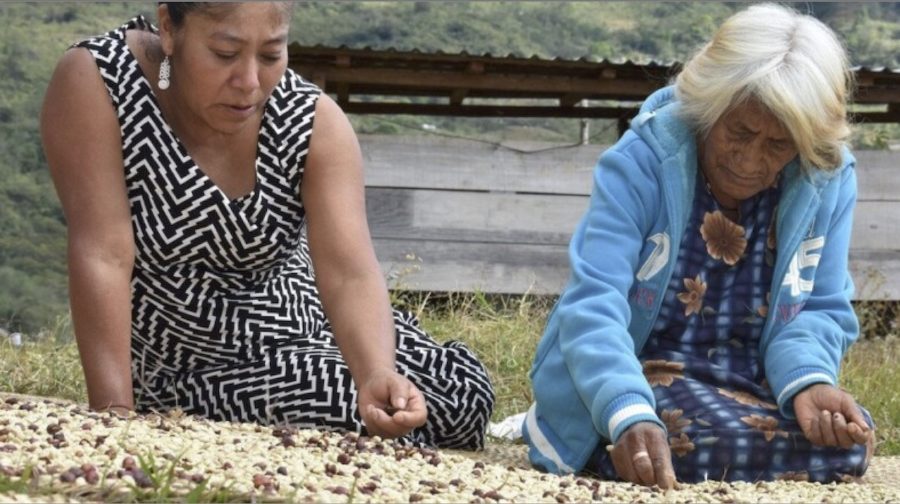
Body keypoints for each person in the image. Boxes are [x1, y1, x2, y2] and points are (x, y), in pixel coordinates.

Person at [40, 2, 494, 450]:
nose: (249, 82)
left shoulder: (310, 120)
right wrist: (116, 416)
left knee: (461, 393)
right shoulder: (100, 81)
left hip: (311, 323)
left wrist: (375, 371)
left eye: (271, 55)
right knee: (339, 403)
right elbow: (103, 252)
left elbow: (348, 270)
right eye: (224, 54)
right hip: (192, 364)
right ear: (169, 29)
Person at [523, 3, 874, 486]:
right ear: (711, 108)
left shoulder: (825, 177)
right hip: (639, 371)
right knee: (690, 444)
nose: (750, 161)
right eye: (740, 132)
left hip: (751, 384)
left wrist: (809, 382)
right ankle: (589, 433)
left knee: (848, 443)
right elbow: (593, 306)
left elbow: (819, 307)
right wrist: (626, 413)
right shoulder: (642, 162)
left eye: (777, 145)